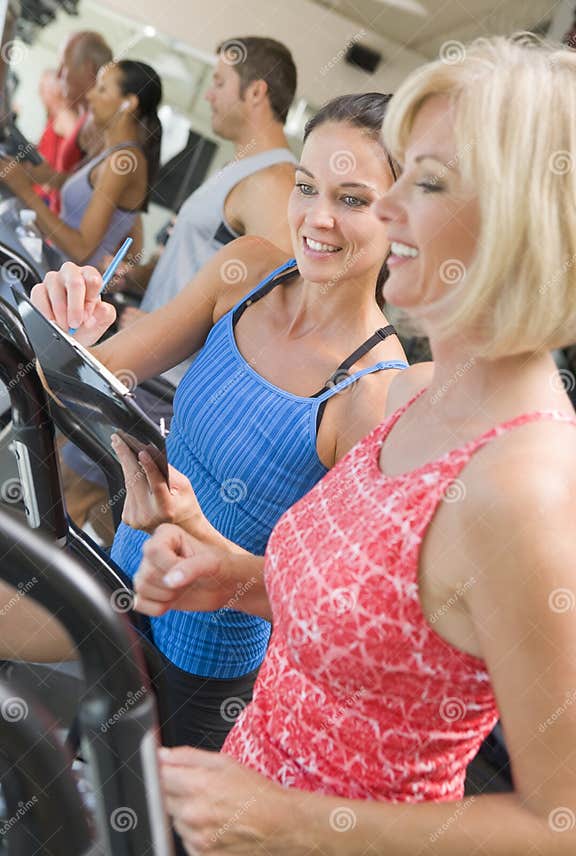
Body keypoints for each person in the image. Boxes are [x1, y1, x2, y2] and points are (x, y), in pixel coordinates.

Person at [131, 35, 576, 854]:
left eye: (428, 182)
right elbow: (375, 624)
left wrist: (287, 818)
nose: (391, 208)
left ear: (525, 220)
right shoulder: (410, 393)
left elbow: (560, 823)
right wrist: (227, 574)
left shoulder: (527, 484)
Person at [30, 93, 408, 753]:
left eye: (351, 199)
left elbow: (328, 604)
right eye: (306, 187)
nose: (317, 218)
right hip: (122, 582)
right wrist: (69, 333)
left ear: (400, 215)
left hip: (203, 668)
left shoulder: (372, 391)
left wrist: (200, 538)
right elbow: (103, 373)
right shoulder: (251, 270)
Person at [114, 35, 298, 354]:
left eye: (219, 83)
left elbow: (267, 308)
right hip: (146, 362)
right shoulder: (236, 168)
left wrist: (162, 334)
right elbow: (193, 270)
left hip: (167, 384)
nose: (209, 96)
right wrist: (134, 277)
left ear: (255, 91)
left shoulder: (275, 182)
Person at [0, 59, 162, 269]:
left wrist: (24, 190)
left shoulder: (122, 162)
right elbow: (85, 188)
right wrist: (37, 174)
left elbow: (81, 249)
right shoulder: (112, 153)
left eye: (102, 89)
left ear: (128, 103)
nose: (90, 95)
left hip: (63, 279)